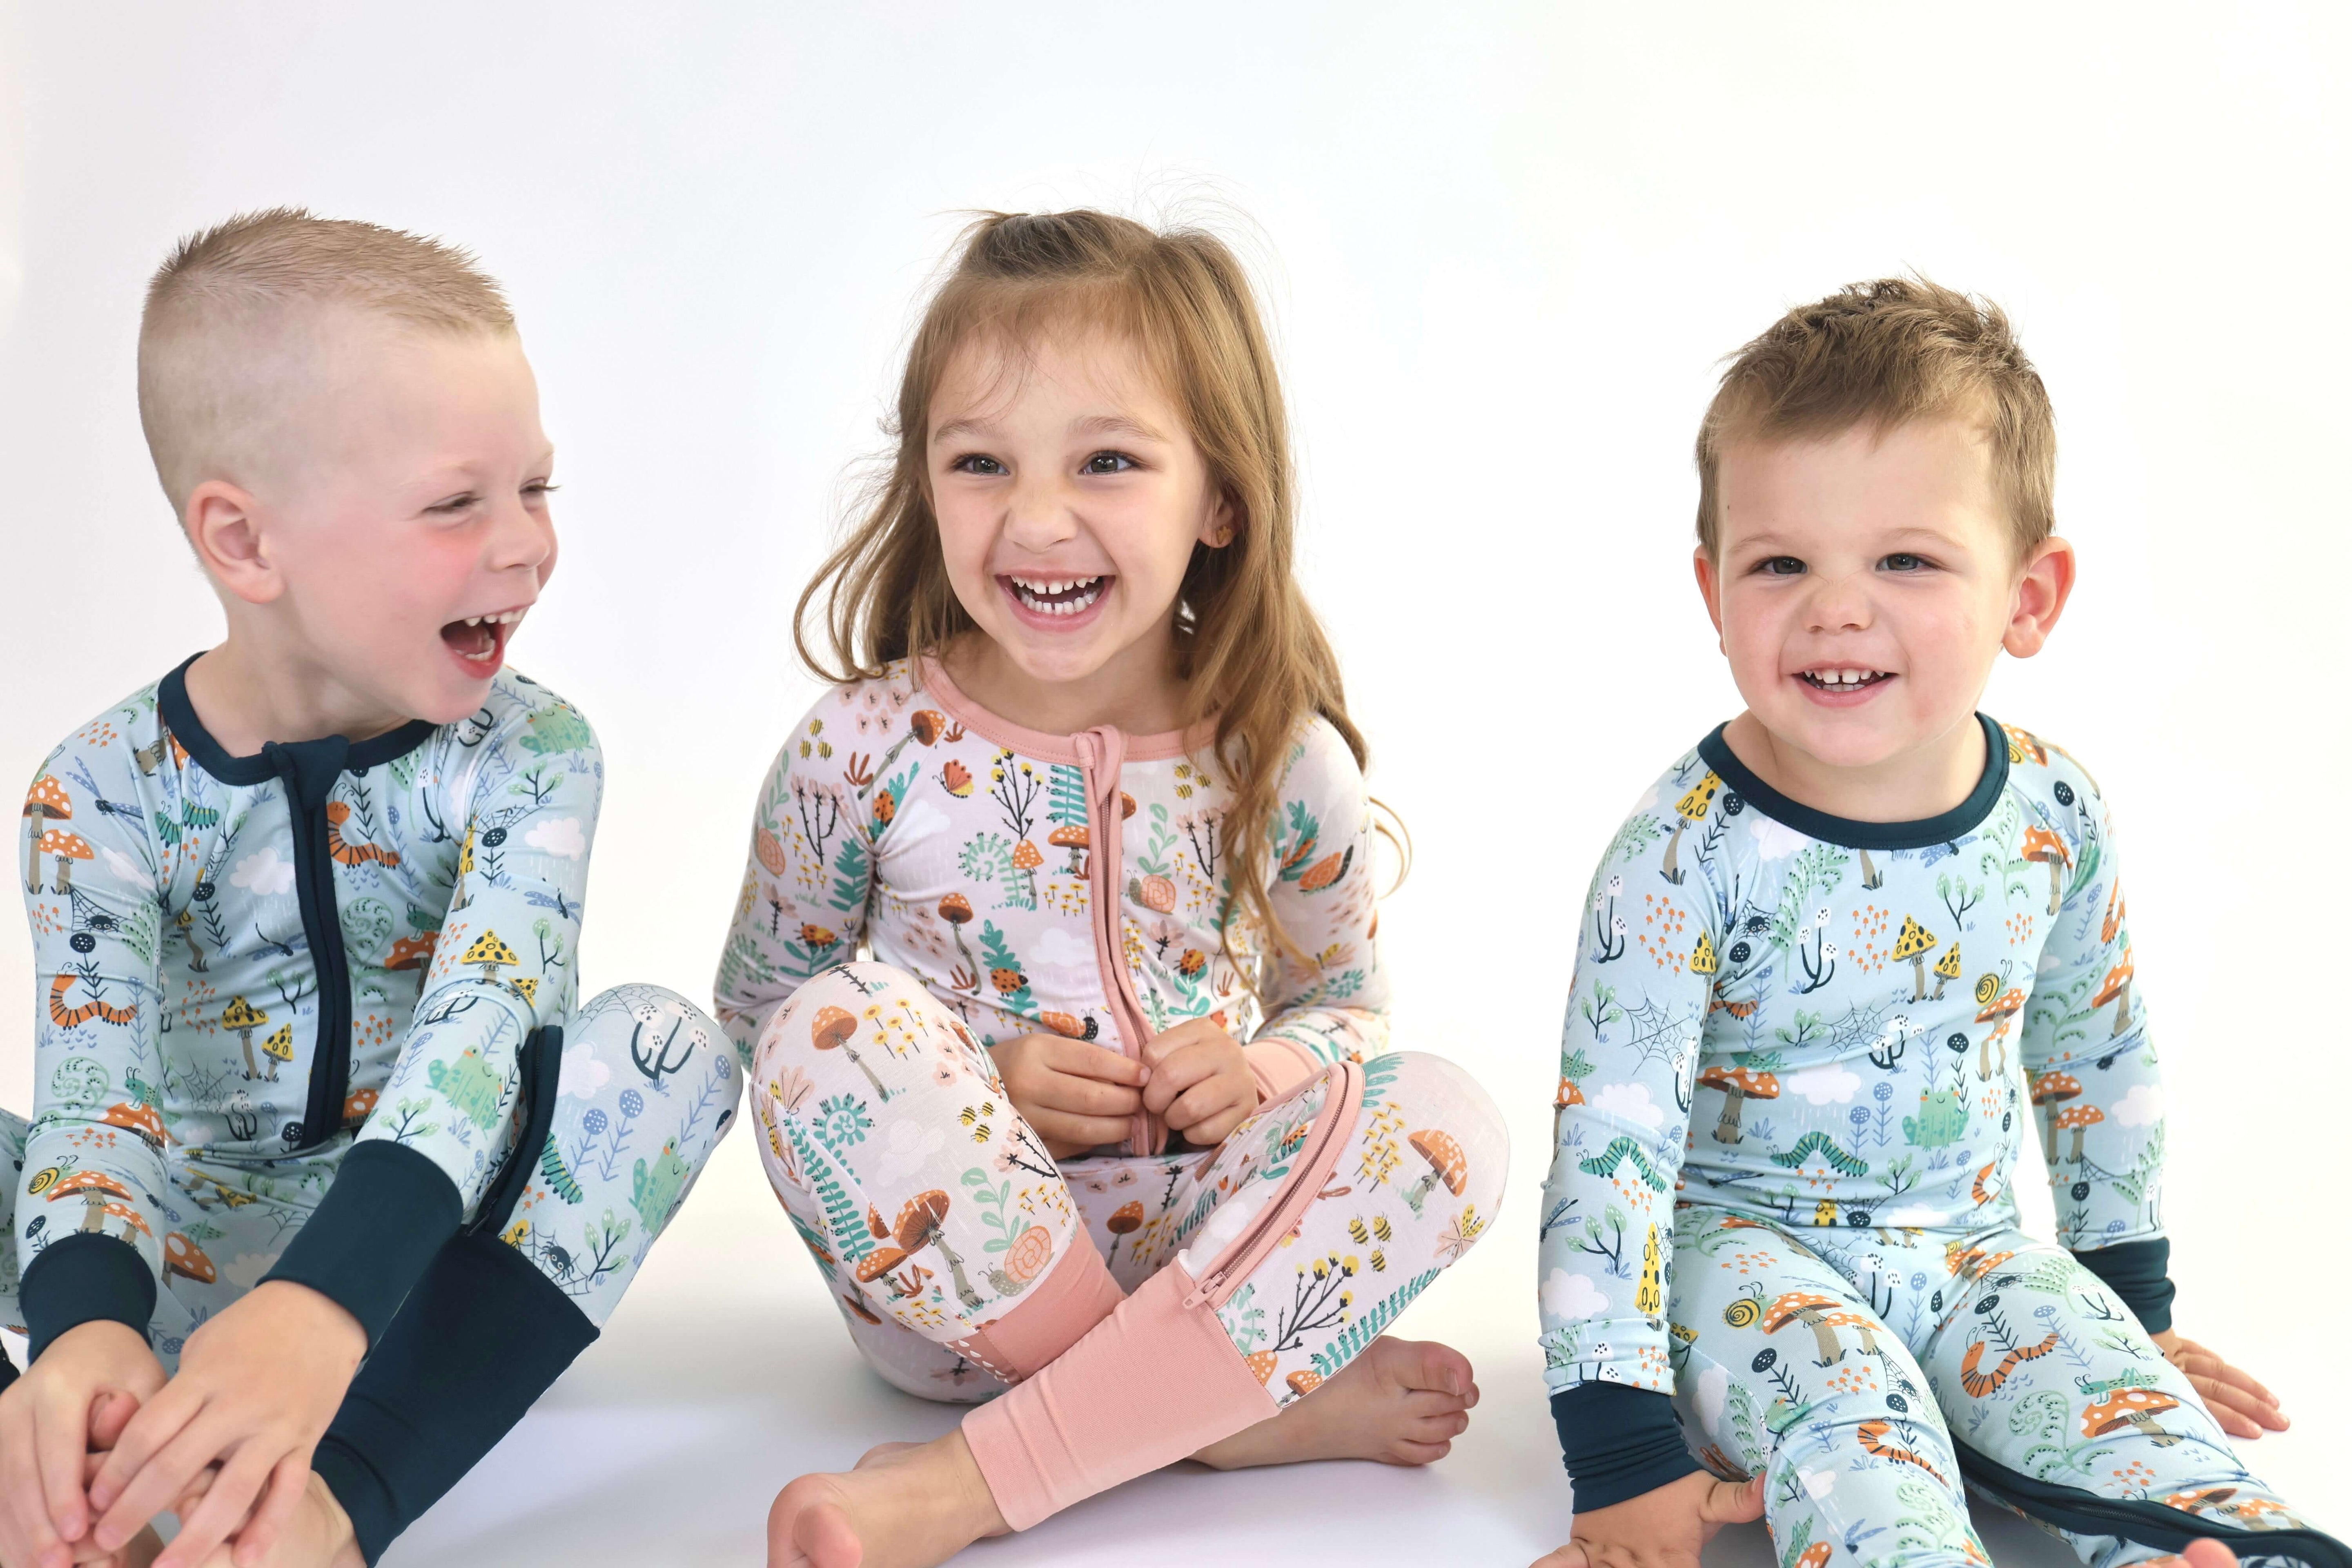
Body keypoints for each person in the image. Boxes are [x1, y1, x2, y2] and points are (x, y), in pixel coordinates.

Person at [716, 209, 1508, 1568]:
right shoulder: (862, 746)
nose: (1035, 518)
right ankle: (1215, 1419)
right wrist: (981, 1076)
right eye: (980, 463)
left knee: (1454, 1123)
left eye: (1107, 461)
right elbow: (767, 1018)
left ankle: (1014, 1465)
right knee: (835, 1027)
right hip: (953, 1294)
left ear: (1219, 499)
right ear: (926, 482)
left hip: (1223, 1252)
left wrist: (1265, 1075)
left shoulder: (1279, 750)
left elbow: (1345, 1008)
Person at [1532, 279, 2345, 1568]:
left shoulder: (2051, 813)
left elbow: (2094, 1063)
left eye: (1905, 560)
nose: (1837, 608)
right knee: (1855, 1433)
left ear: (2029, 596)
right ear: (1713, 589)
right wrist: (1620, 1457)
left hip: (1970, 1246)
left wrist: (2126, 1317)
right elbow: (1610, 1161)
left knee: (2139, 1424)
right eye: (1781, 563)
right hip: (1734, 1263)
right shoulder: (1678, 855)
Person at [0, 210, 739, 1568]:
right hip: (169, 1254)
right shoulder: (93, 790)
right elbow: (95, 1096)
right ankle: (59, 1467)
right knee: (57, 1184)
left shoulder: (533, 754)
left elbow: (483, 1036)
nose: (524, 545)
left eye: (538, 490)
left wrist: (324, 1306)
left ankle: (329, 1512)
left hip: (420, 1269)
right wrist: (89, 1325)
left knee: (671, 1053)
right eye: (459, 502)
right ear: (245, 542)